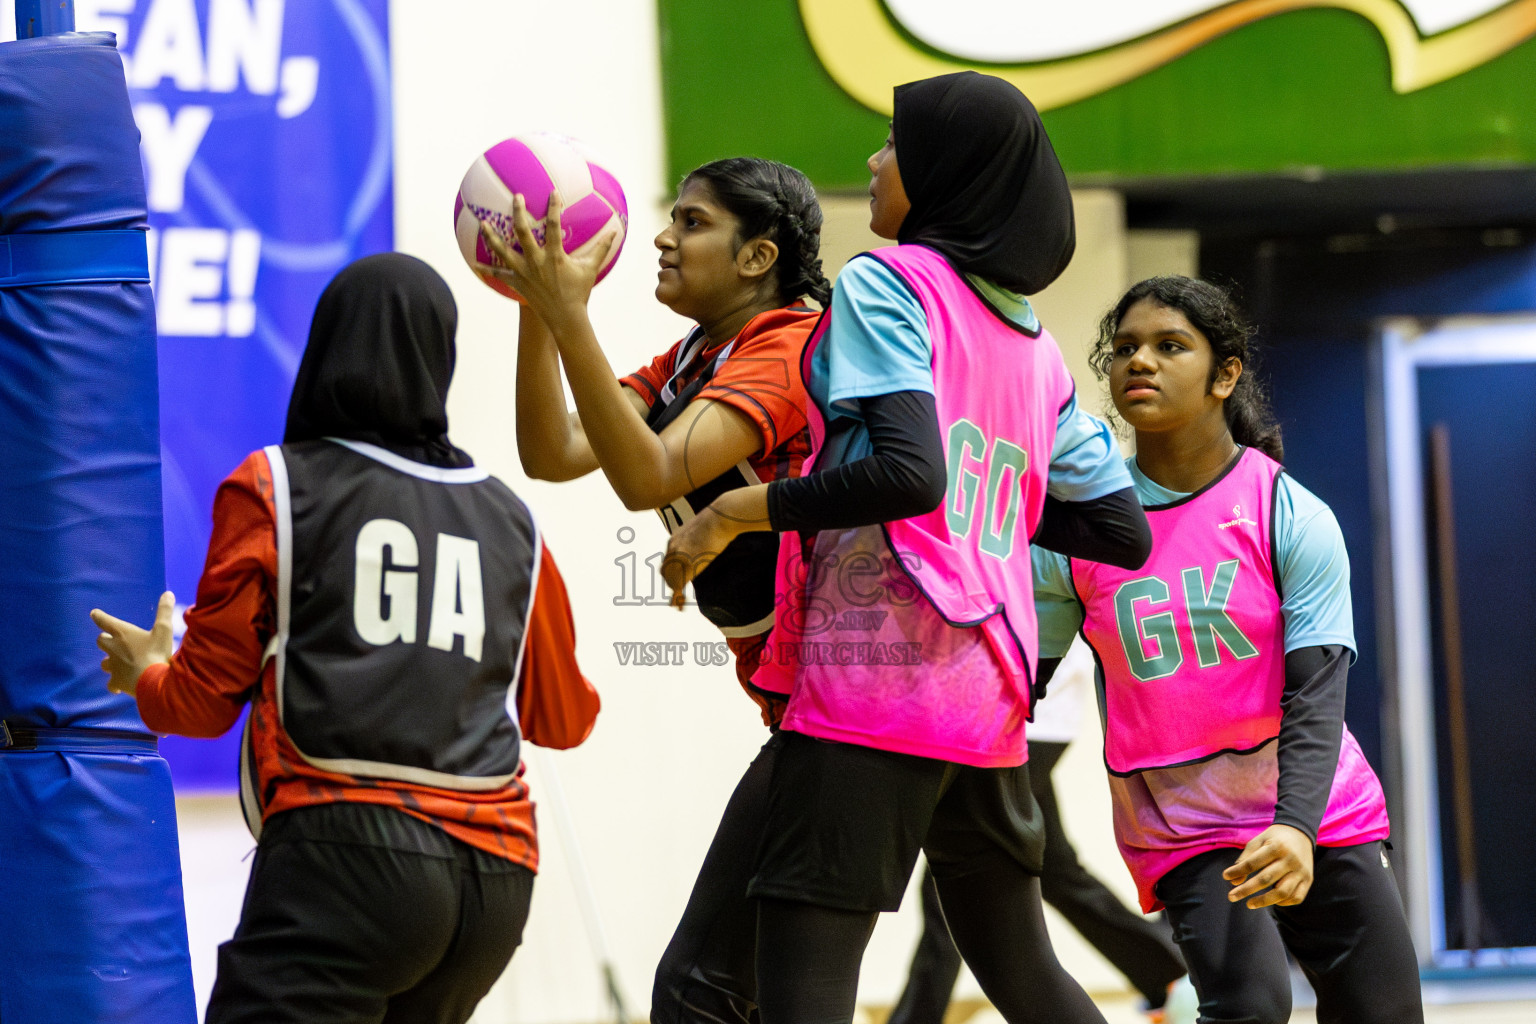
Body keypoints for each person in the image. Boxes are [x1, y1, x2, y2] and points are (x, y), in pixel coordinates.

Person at [662, 71, 1153, 1024]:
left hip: (873, 686)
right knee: (1027, 974)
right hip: (987, 699)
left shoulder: (890, 284)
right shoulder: (1034, 343)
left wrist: (734, 512)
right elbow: (1120, 530)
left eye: (893, 145)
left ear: (942, 174)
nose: (875, 160)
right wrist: (997, 507)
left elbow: (910, 473)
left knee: (799, 988)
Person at [90, 253, 601, 1024]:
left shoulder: (274, 486)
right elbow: (565, 721)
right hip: (495, 884)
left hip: (349, 857)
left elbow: (196, 706)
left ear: (325, 345)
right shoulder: (511, 520)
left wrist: (148, 673)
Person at [478, 158, 829, 1023]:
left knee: (697, 989)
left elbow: (648, 478)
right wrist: (539, 312)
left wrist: (571, 315)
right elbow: (554, 452)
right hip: (806, 706)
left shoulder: (788, 343)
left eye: (693, 222)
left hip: (845, 706)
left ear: (758, 257)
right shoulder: (690, 360)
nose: (663, 238)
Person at [1031, 275, 1425, 1024]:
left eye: (1168, 346)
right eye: (1124, 349)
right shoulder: (1080, 528)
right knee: (1249, 1004)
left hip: (1318, 809)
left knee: (1387, 1013)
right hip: (1187, 826)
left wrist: (1296, 829)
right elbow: (1021, 681)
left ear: (1226, 374)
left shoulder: (1288, 513)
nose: (1138, 361)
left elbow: (1315, 695)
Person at [889, 641, 1195, 1024]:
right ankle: (1169, 975)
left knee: (957, 871)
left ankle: (913, 1019)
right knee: (1055, 870)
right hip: (1021, 713)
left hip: (1023, 712)